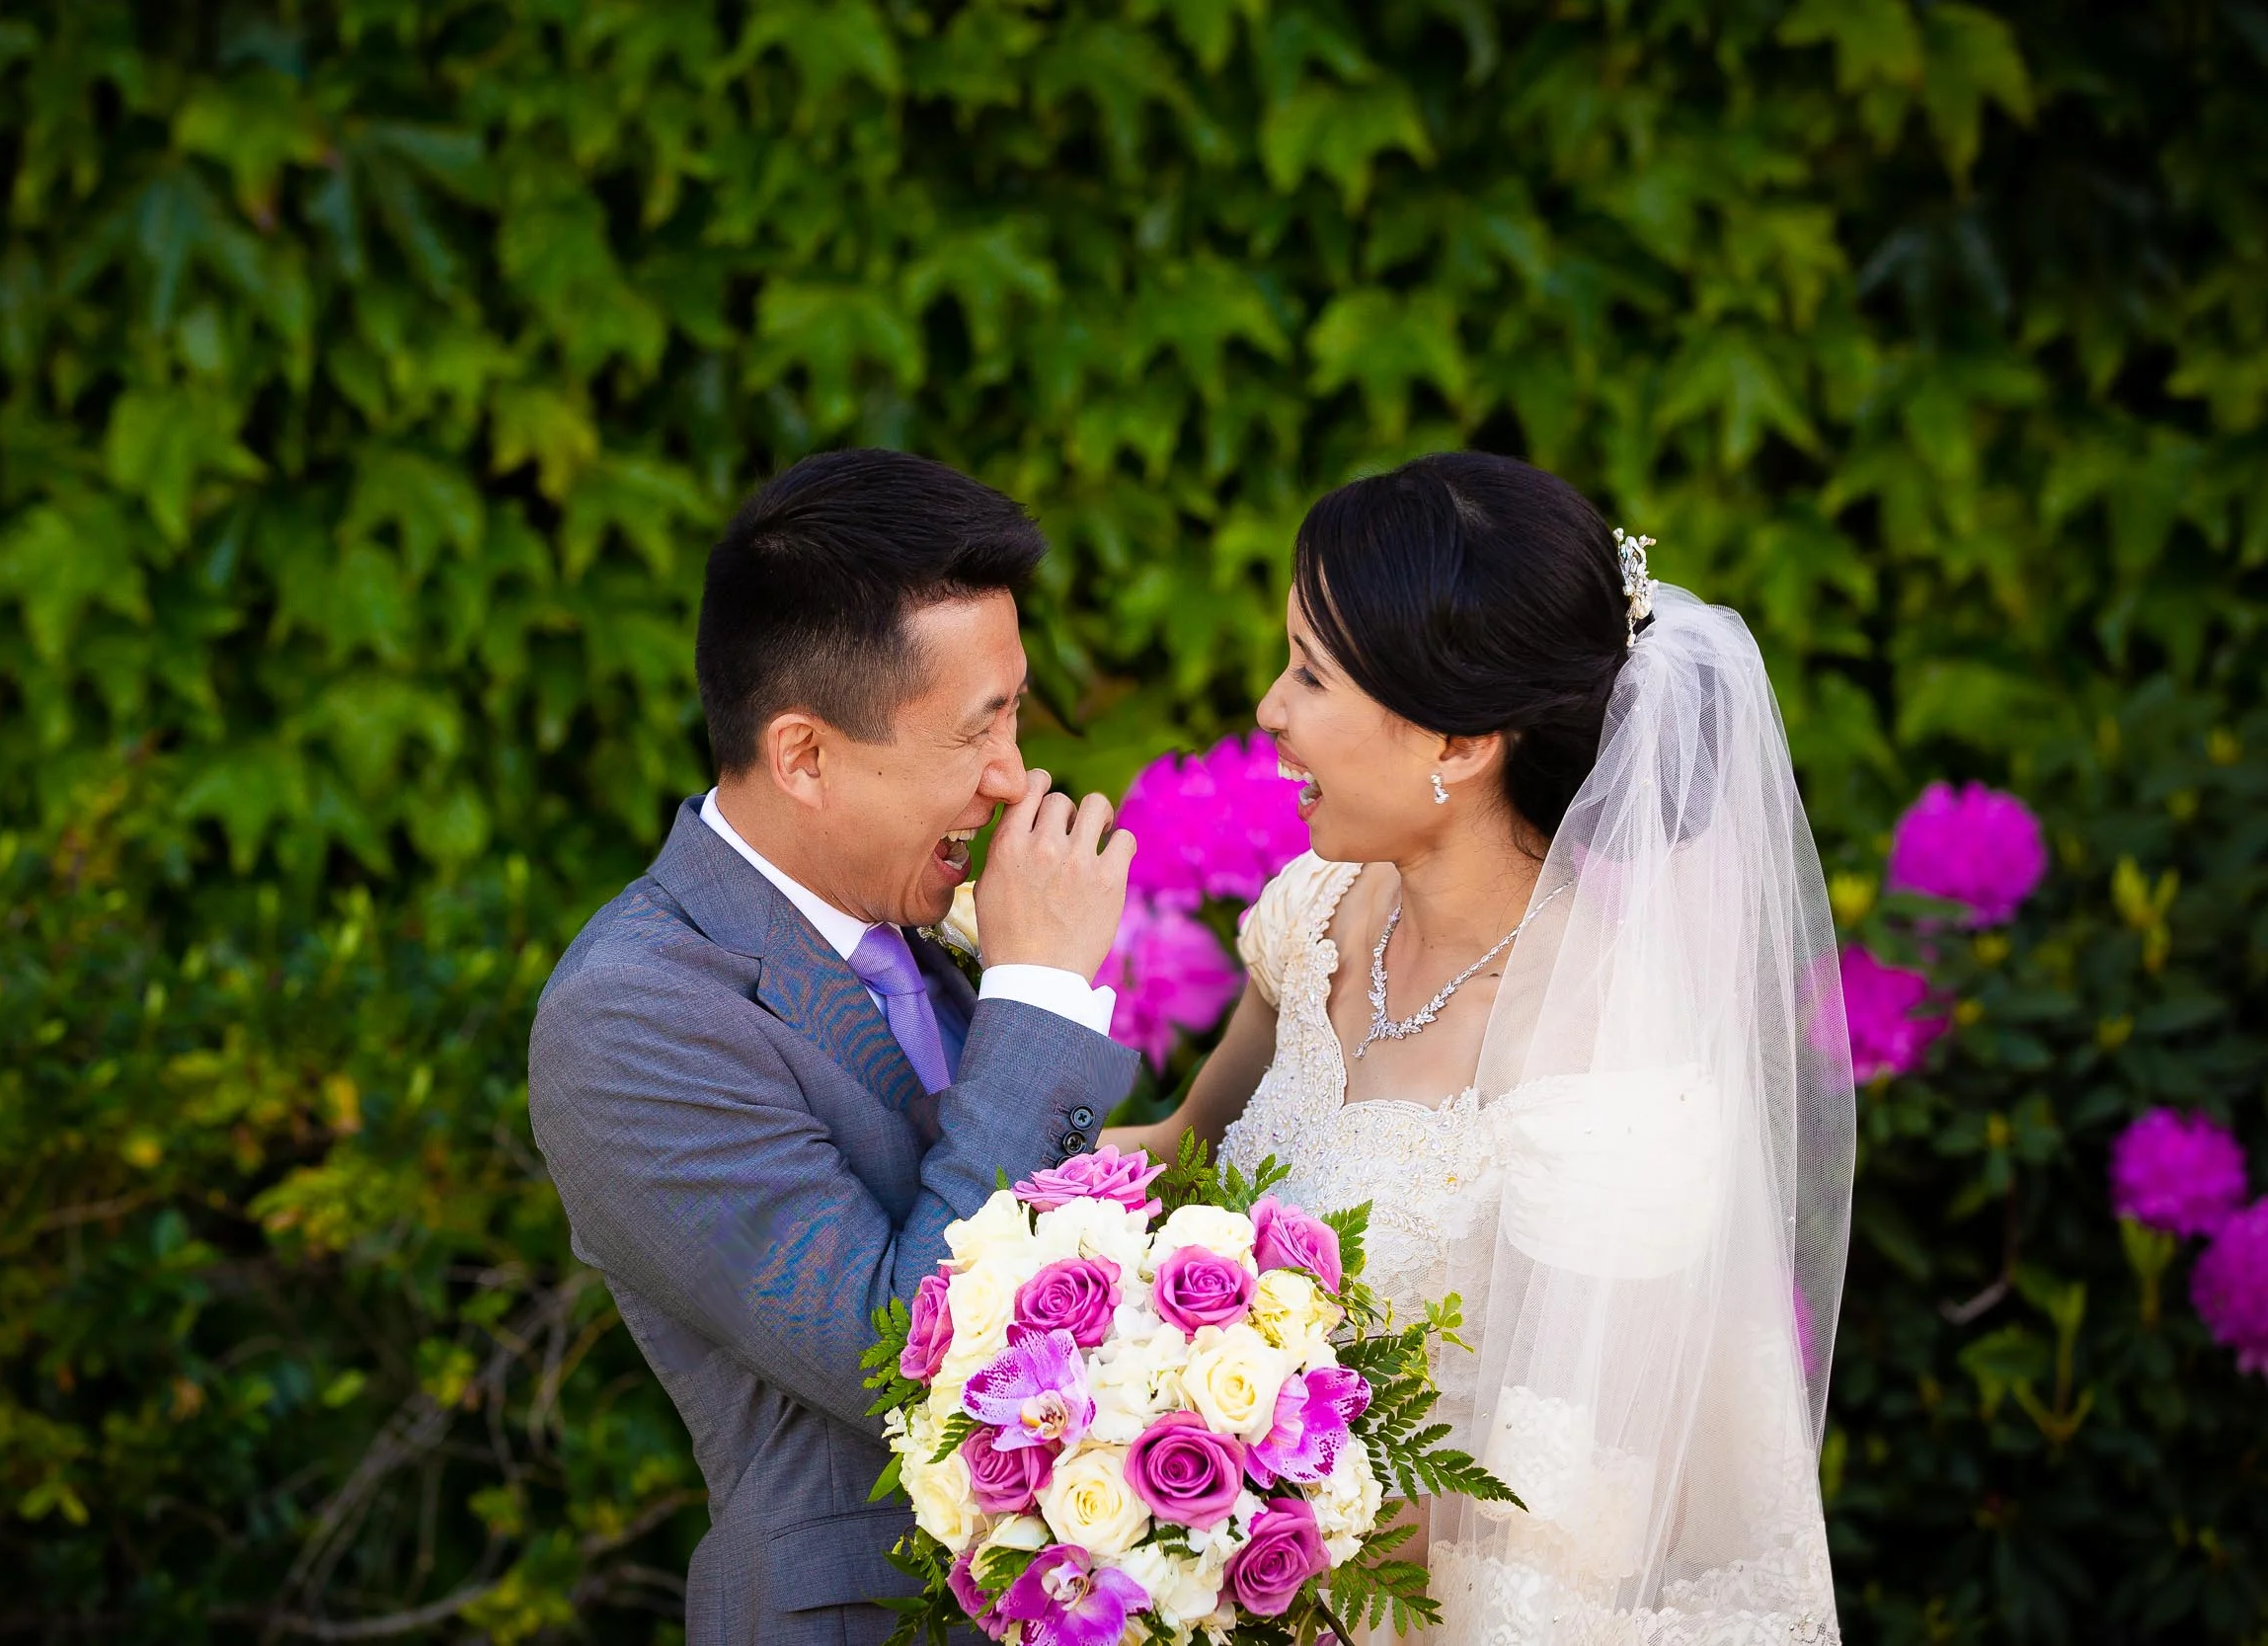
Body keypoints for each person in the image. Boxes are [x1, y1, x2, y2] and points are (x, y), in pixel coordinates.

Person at [1108, 452, 1856, 1643]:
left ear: (1457, 742)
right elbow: (1176, 1158)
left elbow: (1575, 1518)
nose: (1267, 708)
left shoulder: (1602, 1064)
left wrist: (1247, 1524)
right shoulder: (1318, 910)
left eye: (1309, 673)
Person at [529, 449, 1141, 1644]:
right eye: (977, 730)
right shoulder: (632, 1013)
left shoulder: (909, 913)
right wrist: (1037, 990)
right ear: (804, 754)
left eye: (1013, 708)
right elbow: (903, 1350)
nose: (1014, 776)